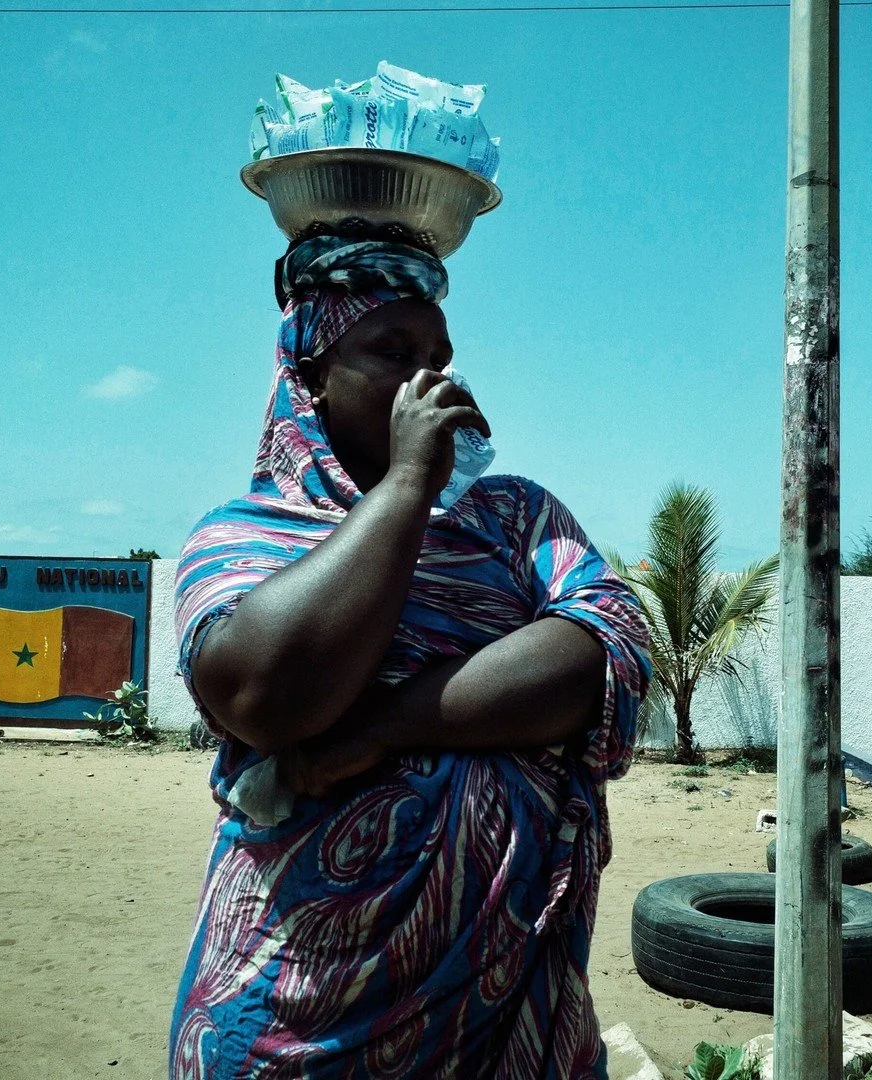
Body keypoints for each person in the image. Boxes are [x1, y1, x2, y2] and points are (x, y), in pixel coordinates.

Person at [168, 233, 651, 1079]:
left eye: (439, 357)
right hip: (305, 1005)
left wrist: (382, 727)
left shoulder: (514, 518)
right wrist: (404, 488)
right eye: (394, 353)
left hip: (507, 1006)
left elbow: (604, 647)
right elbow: (264, 697)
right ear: (312, 373)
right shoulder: (242, 538)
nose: (431, 381)